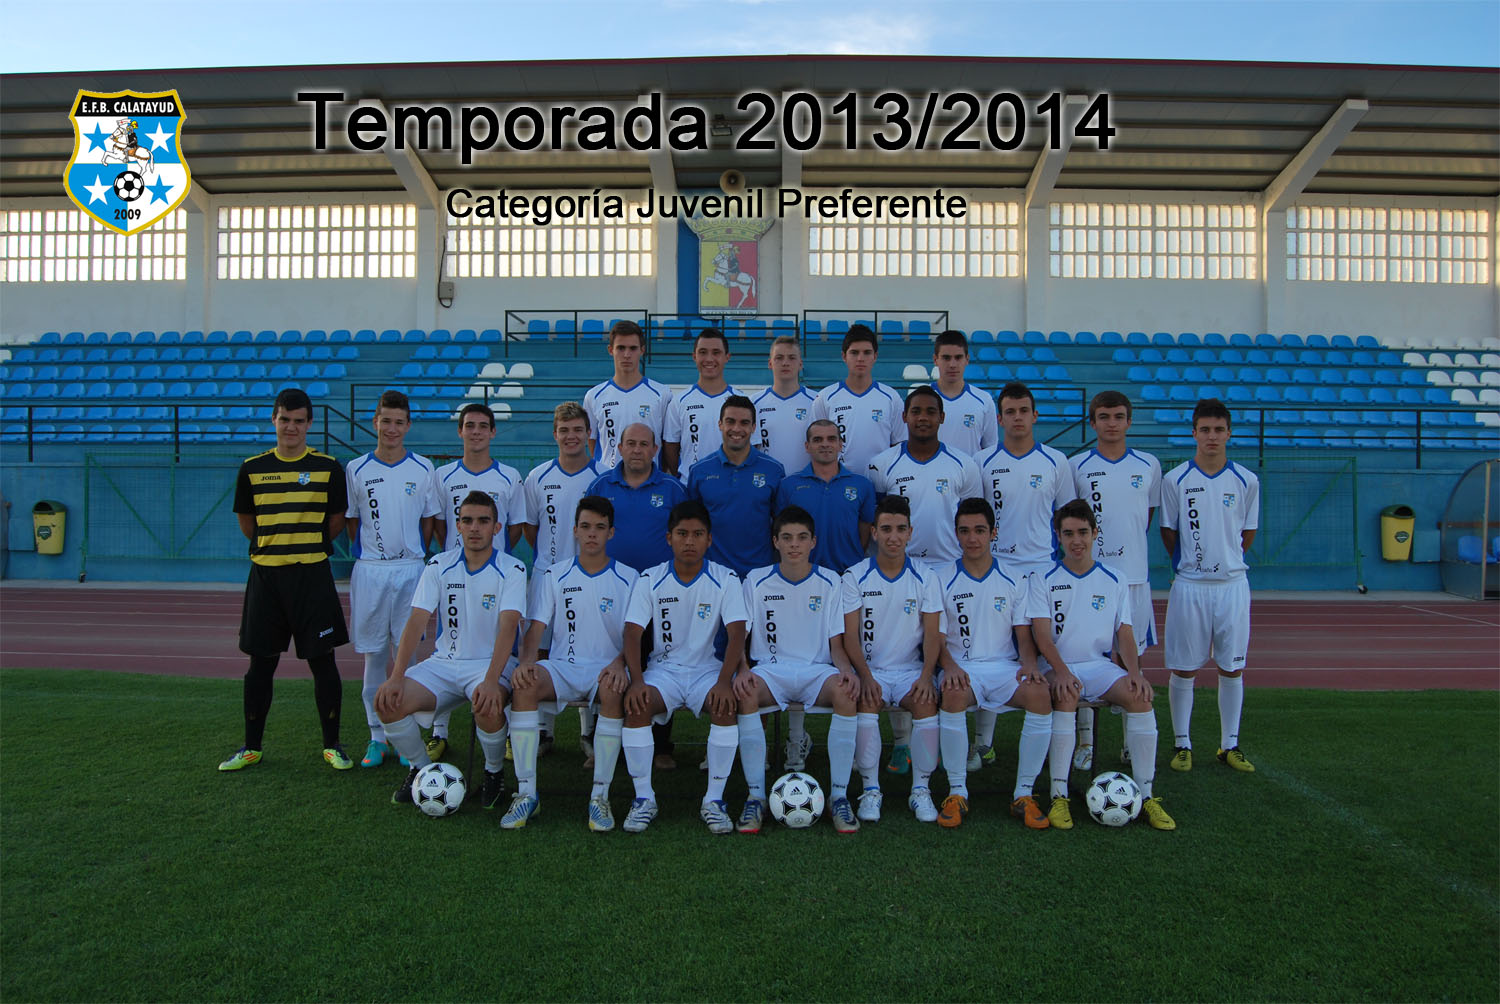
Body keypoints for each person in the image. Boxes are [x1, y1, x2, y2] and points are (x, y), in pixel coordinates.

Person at [221, 387, 351, 772]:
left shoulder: (328, 468)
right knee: (260, 664)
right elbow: (248, 523)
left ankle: (332, 745)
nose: (291, 427)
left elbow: (336, 520)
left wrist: (307, 545)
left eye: (298, 421)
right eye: (284, 419)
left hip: (312, 577)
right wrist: (276, 546)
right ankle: (251, 747)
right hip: (267, 578)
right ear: (273, 420)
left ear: (309, 424)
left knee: (322, 661)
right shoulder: (252, 468)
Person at [1026, 499, 1176, 831]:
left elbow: (1124, 632)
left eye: (1083, 532)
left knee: (1140, 697)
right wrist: (1062, 671)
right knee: (1066, 695)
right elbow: (1042, 636)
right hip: (1058, 667)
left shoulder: (1114, 579)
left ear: (1095, 533)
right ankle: (1059, 795)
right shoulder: (1043, 577)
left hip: (1097, 666)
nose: (1076, 541)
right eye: (1068, 534)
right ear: (1058, 536)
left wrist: (1135, 673)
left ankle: (1147, 794)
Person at [374, 491, 528, 810]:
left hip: (491, 664)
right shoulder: (438, 565)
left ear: (497, 527)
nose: (474, 528)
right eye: (467, 521)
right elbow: (416, 622)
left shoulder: (512, 569)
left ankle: (494, 774)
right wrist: (396, 676)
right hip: (444, 664)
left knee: (488, 704)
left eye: (483, 521)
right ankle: (421, 771)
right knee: (388, 701)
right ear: (457, 525)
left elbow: (508, 628)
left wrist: (490, 679)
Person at [502, 496, 638, 831]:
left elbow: (634, 635)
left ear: (611, 533)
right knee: (524, 685)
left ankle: (600, 797)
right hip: (563, 665)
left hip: (607, 667)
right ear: (575, 530)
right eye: (586, 527)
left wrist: (621, 664)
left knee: (612, 689)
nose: (592, 534)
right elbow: (536, 628)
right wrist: (527, 662)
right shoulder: (554, 574)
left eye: (600, 528)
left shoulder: (629, 577)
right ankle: (526, 793)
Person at [619, 501, 749, 834]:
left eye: (697, 534)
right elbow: (632, 633)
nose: (689, 541)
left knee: (725, 705)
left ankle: (714, 800)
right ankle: (644, 798)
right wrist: (636, 681)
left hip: (708, 670)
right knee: (638, 704)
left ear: (709, 539)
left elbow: (737, 633)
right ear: (668, 538)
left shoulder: (725, 579)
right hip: (664, 671)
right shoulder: (651, 578)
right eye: (682, 534)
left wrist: (724, 682)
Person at [733, 506, 861, 833]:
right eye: (787, 538)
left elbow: (837, 645)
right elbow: (741, 638)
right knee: (746, 693)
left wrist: (845, 670)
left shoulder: (831, 582)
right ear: (775, 541)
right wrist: (743, 669)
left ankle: (839, 797)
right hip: (770, 671)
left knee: (847, 692)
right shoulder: (756, 581)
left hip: (816, 671)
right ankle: (755, 798)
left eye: (802, 538)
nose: (794, 545)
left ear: (813, 542)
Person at [933, 498, 1053, 829]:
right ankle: (958, 792)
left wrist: (1029, 664)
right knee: (953, 695)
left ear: (993, 533)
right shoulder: (940, 579)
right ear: (955, 534)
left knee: (1041, 695)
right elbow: (935, 639)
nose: (972, 538)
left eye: (980, 531)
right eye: (965, 531)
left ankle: (1024, 794)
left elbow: (1024, 638)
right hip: (962, 668)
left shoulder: (1015, 579)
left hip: (1003, 668)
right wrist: (950, 666)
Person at [971, 382, 1072, 770]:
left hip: (1042, 570)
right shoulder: (982, 462)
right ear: (999, 418)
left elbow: (1067, 518)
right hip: (996, 571)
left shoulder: (1055, 462)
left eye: (1023, 411)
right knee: (993, 653)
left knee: (1052, 653)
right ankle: (983, 742)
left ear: (1035, 415)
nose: (1017, 418)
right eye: (1009, 412)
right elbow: (976, 517)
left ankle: (1070, 740)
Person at [1159, 398, 1260, 775]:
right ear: (1194, 433)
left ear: (1229, 433)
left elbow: (1247, 532)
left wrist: (1226, 561)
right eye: (1205, 430)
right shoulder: (1176, 480)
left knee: (1232, 668)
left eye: (1219, 430)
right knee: (1184, 668)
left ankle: (1229, 744)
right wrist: (1193, 563)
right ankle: (1182, 743)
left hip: (1233, 586)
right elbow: (1168, 530)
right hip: (1190, 585)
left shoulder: (1247, 480)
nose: (1212, 436)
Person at [343, 390, 440, 770]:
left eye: (399, 422)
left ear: (408, 425)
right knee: (374, 656)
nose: (392, 429)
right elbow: (353, 519)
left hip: (411, 569)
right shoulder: (357, 469)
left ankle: (405, 735)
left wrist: (416, 551)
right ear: (375, 423)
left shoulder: (423, 468)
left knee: (408, 657)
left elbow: (430, 518)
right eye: (386, 421)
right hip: (371, 570)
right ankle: (375, 736)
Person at [772, 418, 876, 769]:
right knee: (803, 657)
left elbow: (864, 531)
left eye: (832, 438)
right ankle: (797, 738)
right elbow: (786, 532)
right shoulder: (789, 485)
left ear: (841, 443)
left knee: (849, 660)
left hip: (846, 581)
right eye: (817, 439)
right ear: (807, 446)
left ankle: (869, 748)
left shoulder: (860, 485)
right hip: (802, 583)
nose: (825, 444)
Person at [1068, 390, 1163, 771]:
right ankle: (1086, 742)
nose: (1111, 423)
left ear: (1129, 421)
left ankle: (1128, 741)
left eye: (1118, 416)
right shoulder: (1076, 466)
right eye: (1103, 417)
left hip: (1133, 579)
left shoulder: (1149, 465)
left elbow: (1147, 518)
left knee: (1129, 659)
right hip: (1087, 579)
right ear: (1092, 423)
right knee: (1085, 657)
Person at [587, 421, 688, 770]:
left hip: (659, 592)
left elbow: (683, 533)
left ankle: (661, 745)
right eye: (630, 443)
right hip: (612, 590)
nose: (636, 450)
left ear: (655, 450)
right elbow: (590, 529)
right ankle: (603, 739)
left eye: (644, 444)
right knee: (609, 657)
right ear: (619, 446)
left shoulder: (673, 488)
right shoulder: (601, 485)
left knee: (658, 659)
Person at [429, 401, 525, 761]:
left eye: (483, 426)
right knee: (447, 642)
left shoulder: (509, 476)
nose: (476, 432)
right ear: (460, 431)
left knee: (503, 643)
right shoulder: (443, 476)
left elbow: (515, 527)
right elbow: (439, 523)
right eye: (470, 425)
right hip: (455, 574)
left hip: (496, 576)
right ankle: (438, 732)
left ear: (493, 432)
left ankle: (511, 728)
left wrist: (493, 555)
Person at [839, 495, 945, 824]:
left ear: (910, 532)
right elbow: (850, 637)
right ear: (873, 532)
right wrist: (866, 676)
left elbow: (932, 634)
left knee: (926, 704)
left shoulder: (926, 576)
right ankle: (871, 791)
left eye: (900, 529)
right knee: (866, 703)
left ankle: (921, 790)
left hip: (912, 670)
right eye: (886, 529)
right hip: (873, 672)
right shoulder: (855, 576)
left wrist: (927, 676)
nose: (893, 536)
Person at [521, 402, 604, 762]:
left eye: (577, 430)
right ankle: (543, 729)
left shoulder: (602, 476)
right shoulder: (537, 477)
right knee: (540, 648)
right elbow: (530, 529)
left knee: (587, 649)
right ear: (555, 434)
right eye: (564, 430)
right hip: (546, 575)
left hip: (589, 577)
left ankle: (589, 730)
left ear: (589, 434)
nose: (571, 437)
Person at [867, 385, 982, 569]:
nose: (923, 418)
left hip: (949, 565)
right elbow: (874, 518)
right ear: (905, 417)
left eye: (931, 412)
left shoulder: (964, 465)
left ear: (941, 417)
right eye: (916, 411)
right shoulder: (881, 464)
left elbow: (974, 520)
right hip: (900, 567)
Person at [686, 395, 785, 577]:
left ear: (754, 427)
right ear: (720, 424)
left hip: (760, 573)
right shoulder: (699, 471)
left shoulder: (774, 470)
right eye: (730, 421)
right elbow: (691, 526)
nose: (736, 429)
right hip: (713, 573)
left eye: (744, 423)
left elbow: (782, 525)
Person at [811, 324, 905, 474]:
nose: (860, 358)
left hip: (880, 483)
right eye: (854, 353)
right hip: (838, 483)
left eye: (867, 353)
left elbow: (899, 445)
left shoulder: (891, 397)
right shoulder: (825, 397)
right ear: (844, 356)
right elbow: (816, 445)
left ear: (875, 356)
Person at [582, 320, 672, 470]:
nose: (627, 355)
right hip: (609, 482)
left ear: (642, 350)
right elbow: (592, 442)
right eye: (621, 348)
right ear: (610, 350)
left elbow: (668, 442)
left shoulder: (662, 394)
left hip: (649, 482)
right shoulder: (594, 396)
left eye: (633, 348)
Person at [663, 328, 738, 478]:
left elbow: (752, 445)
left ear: (727, 357)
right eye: (703, 352)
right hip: (690, 487)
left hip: (731, 485)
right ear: (694, 357)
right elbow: (670, 447)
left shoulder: (740, 400)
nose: (709, 359)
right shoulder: (679, 402)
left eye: (716, 352)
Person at [753, 335, 817, 473]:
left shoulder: (816, 401)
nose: (785, 363)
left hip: (805, 485)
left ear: (800, 364)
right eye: (779, 358)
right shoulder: (754, 403)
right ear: (770, 363)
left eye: (792, 358)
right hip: (766, 484)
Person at [931, 330, 998, 457]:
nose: (952, 364)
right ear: (935, 360)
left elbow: (990, 449)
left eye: (958, 357)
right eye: (946, 358)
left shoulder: (984, 400)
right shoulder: (922, 398)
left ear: (967, 359)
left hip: (970, 476)